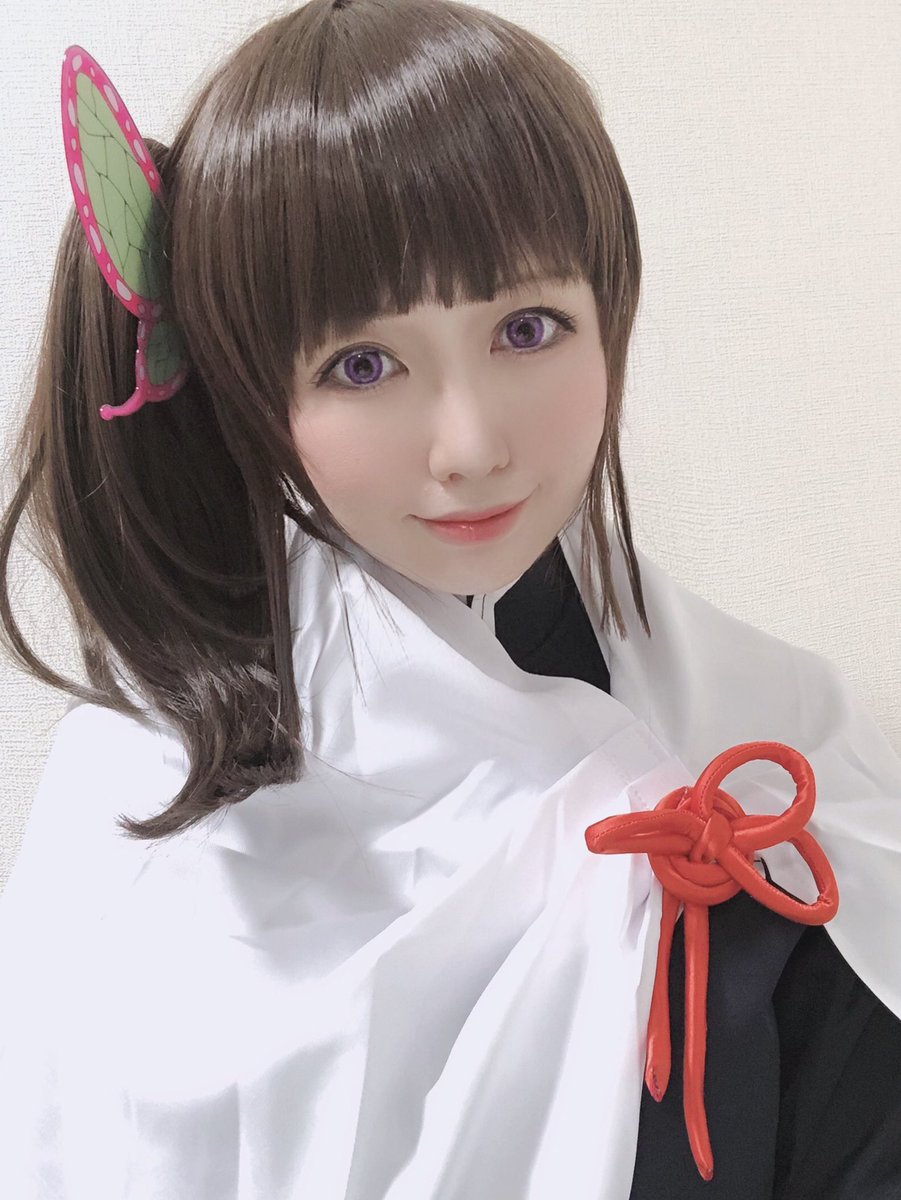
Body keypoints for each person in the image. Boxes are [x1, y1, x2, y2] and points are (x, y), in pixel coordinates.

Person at [0, 2, 899, 1197]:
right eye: (362, 364)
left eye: (527, 328)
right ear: (250, 388)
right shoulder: (140, 799)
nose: (470, 446)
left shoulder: (768, 754)